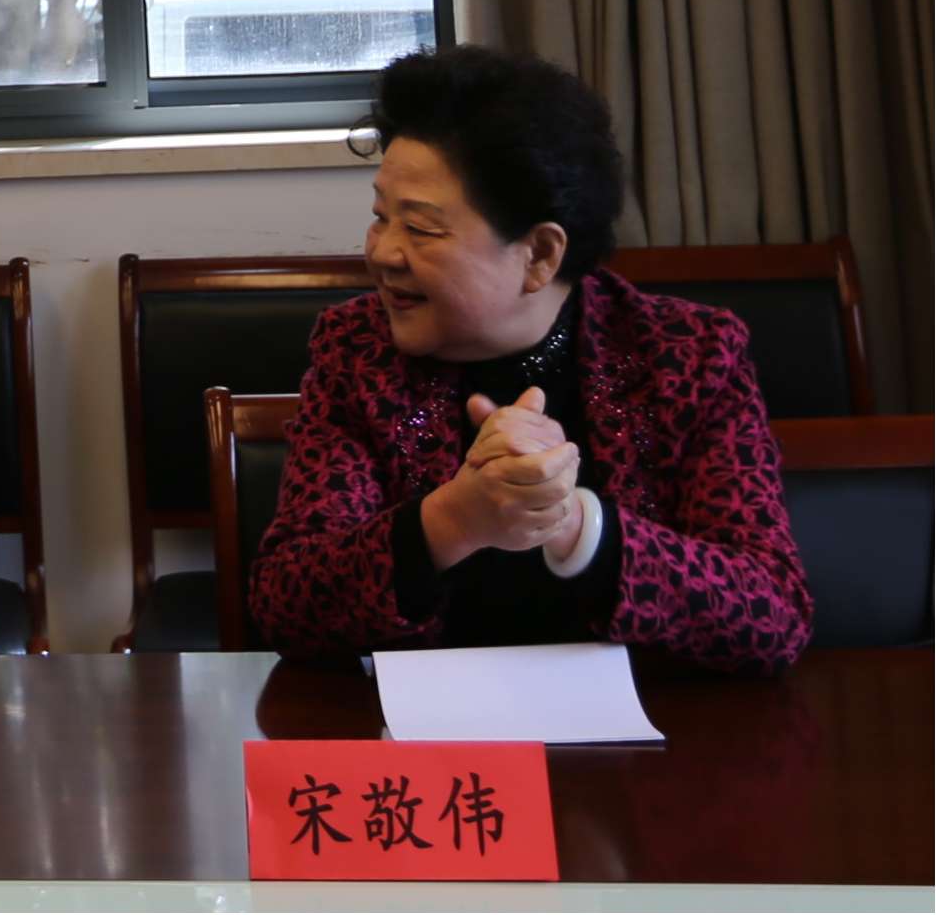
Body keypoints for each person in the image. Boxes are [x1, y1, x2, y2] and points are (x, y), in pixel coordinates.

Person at [251, 45, 811, 674]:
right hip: (425, 729)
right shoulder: (357, 351)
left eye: (422, 228)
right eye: (381, 217)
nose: (383, 253)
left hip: (642, 728)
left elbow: (773, 614)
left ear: (541, 255)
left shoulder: (689, 354)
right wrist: (454, 520)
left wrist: (571, 524)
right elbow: (285, 603)